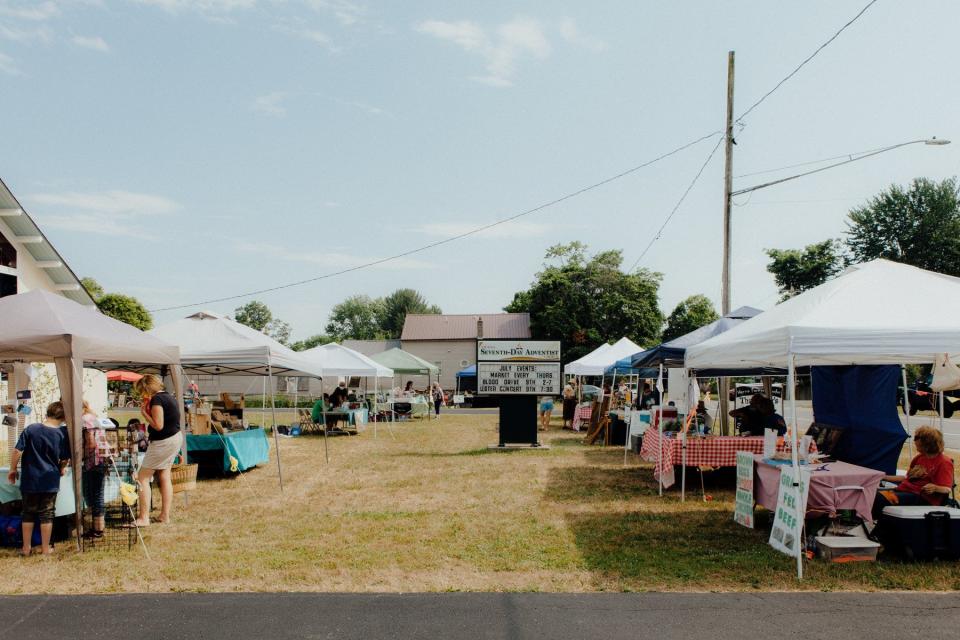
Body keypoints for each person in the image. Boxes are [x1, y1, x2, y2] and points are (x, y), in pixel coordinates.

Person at [7, 401, 69, 556]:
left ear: (47, 413)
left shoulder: (31, 429)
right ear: (63, 417)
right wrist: (62, 467)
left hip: (30, 479)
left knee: (28, 513)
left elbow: (16, 451)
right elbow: (64, 458)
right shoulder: (62, 433)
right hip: (50, 480)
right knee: (47, 514)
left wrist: (13, 470)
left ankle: (26, 548)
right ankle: (45, 548)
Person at [873, 426, 954, 518]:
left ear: (928, 443)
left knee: (879, 498)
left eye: (917, 438)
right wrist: (883, 476)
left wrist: (935, 488)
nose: (914, 441)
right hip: (905, 491)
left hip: (923, 498)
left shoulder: (944, 462)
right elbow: (906, 478)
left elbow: (947, 489)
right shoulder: (919, 458)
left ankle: (876, 524)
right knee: (871, 494)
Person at [133, 374, 182, 527]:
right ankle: (164, 515)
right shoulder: (170, 397)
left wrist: (145, 415)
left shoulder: (157, 400)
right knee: (164, 476)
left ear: (147, 388)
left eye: (142, 391)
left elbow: (158, 425)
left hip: (163, 442)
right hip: (174, 438)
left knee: (142, 478)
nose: (142, 394)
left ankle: (143, 518)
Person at [82, 400, 114, 540]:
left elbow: (90, 443)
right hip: (103, 458)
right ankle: (97, 528)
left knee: (95, 495)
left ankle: (98, 529)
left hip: (95, 460)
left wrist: (81, 457)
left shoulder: (84, 420)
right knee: (96, 494)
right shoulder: (92, 417)